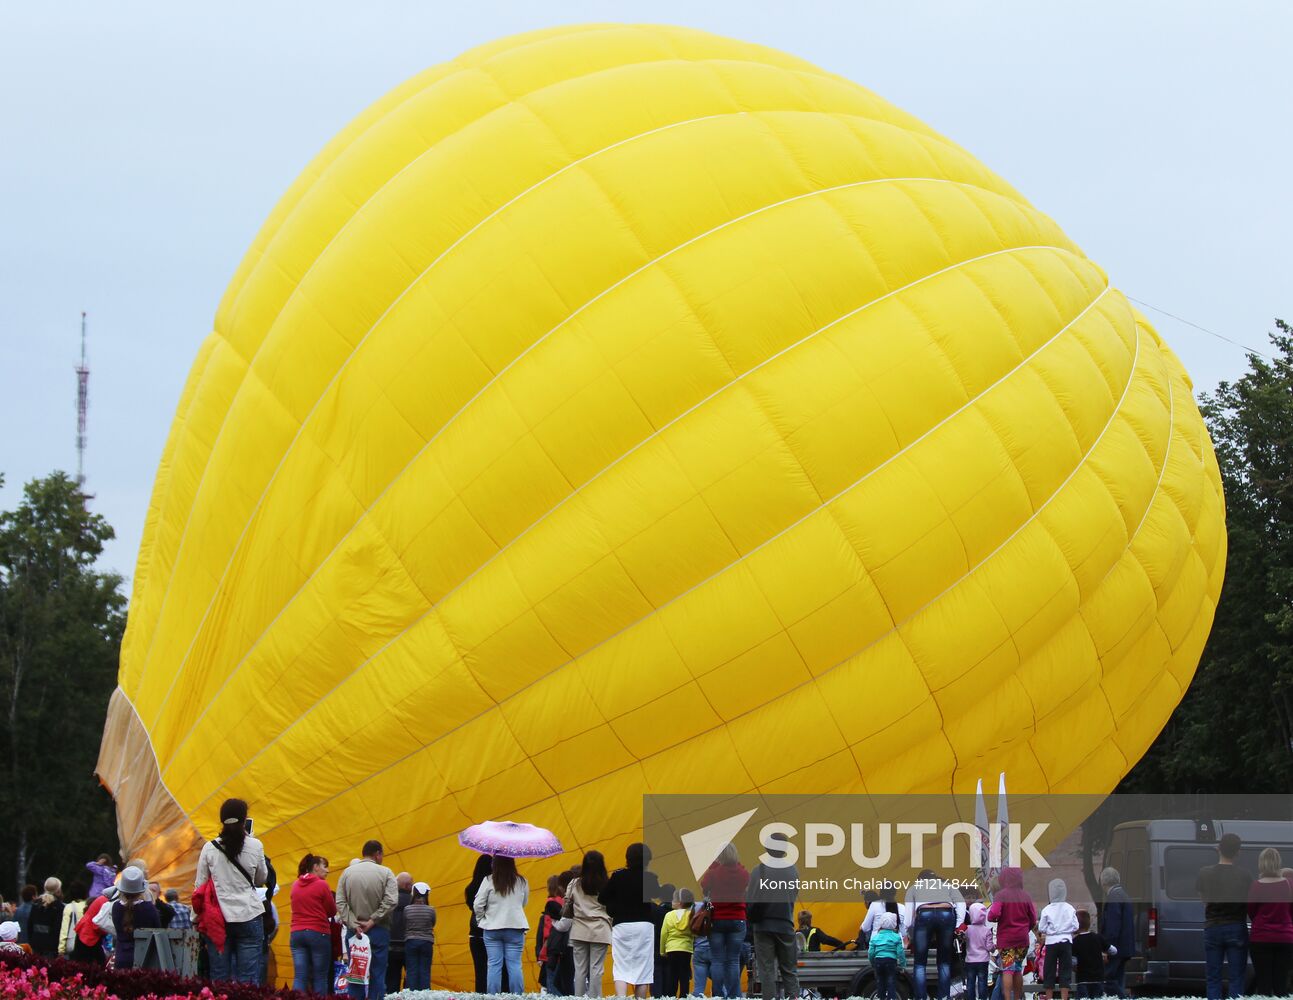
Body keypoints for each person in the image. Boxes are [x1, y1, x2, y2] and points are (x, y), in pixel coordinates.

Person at [195, 797, 268, 984]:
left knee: (219, 978)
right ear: (244, 821)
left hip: (218, 918)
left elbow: (200, 886)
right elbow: (261, 879)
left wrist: (196, 918)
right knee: (249, 979)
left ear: (222, 821)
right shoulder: (255, 845)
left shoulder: (209, 849)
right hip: (249, 915)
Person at [336, 840, 399, 1000]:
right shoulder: (386, 873)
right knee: (378, 974)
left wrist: (353, 924)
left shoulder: (347, 873)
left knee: (356, 974)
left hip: (354, 933)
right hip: (379, 930)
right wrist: (372, 920)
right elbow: (391, 900)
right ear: (377, 854)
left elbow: (340, 902)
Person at [601, 843, 664, 999]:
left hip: (621, 925)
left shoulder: (618, 876)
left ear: (627, 858)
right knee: (643, 970)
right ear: (647, 859)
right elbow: (657, 893)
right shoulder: (650, 877)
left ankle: (621, 997)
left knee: (621, 967)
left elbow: (602, 898)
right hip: (644, 926)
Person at [1196, 833, 1251, 1000]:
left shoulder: (1204, 873)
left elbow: (1204, 901)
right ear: (1238, 852)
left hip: (1213, 926)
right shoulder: (1245, 876)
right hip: (1237, 926)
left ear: (1218, 849)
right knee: (1236, 977)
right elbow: (1249, 902)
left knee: (1213, 978)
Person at [747, 844, 799, 1000]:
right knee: (789, 970)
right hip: (785, 924)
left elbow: (750, 898)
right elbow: (794, 893)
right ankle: (792, 997)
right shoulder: (793, 870)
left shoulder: (759, 870)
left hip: (762, 926)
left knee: (767, 971)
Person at [474, 855, 530, 995]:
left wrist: (481, 920)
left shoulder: (488, 880)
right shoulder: (522, 881)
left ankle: (493, 996)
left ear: (495, 864)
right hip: (515, 926)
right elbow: (524, 902)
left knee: (494, 965)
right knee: (515, 965)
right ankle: (517, 996)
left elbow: (478, 904)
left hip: (492, 927)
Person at [699, 844, 748, 999]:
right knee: (733, 960)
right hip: (737, 919)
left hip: (717, 919)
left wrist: (714, 864)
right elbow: (746, 879)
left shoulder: (714, 873)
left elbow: (704, 886)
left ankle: (718, 995)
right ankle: (734, 995)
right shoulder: (743, 873)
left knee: (717, 960)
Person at [908, 870, 966, 1000]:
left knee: (920, 964)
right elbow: (961, 904)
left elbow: (908, 919)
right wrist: (957, 925)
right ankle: (944, 997)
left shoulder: (914, 887)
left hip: (924, 915)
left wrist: (911, 934)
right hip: (946, 914)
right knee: (944, 961)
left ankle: (921, 998)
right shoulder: (946, 885)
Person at [1247, 846, 1293, 995]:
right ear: (1278, 862)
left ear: (1262, 863)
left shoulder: (1256, 886)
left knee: (1263, 983)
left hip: (1261, 938)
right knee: (1281, 984)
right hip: (1285, 938)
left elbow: (1252, 912)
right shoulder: (1289, 884)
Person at [566, 851, 612, 997]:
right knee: (596, 969)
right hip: (600, 929)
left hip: (579, 929)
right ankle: (595, 997)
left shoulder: (575, 883)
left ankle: (578, 997)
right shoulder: (607, 884)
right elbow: (612, 906)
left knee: (580, 969)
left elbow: (567, 901)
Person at [291, 853, 337, 995]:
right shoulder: (322, 885)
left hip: (296, 933)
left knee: (300, 975)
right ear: (315, 867)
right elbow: (331, 911)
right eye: (325, 866)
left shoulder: (295, 884)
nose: (327, 870)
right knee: (320, 976)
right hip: (318, 932)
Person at [987, 868, 1036, 1000]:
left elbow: (994, 914)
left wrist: (993, 918)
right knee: (1018, 969)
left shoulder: (1001, 895)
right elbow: (1033, 918)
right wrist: (1025, 929)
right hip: (1022, 939)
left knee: (1008, 969)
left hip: (1006, 940)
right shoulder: (1025, 896)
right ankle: (1017, 998)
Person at [467, 854, 504, 993]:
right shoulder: (494, 886)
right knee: (495, 968)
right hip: (491, 931)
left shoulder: (470, 888)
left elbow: (473, 907)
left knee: (480, 971)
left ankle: (481, 995)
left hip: (474, 933)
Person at [112, 866, 161, 968]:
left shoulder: (116, 907)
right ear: (141, 889)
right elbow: (158, 930)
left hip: (121, 957)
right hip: (144, 958)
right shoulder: (149, 908)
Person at [1096, 868, 1133, 999]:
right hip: (1125, 947)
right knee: (1118, 979)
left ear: (1103, 882)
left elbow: (1113, 926)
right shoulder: (1123, 894)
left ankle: (1123, 998)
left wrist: (1107, 948)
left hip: (1115, 948)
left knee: (1108, 980)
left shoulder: (1113, 897)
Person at [1038, 879, 1078, 1000]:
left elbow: (1041, 927)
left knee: (1049, 969)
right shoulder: (1070, 908)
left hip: (1051, 942)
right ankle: (1064, 997)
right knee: (1065, 970)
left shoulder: (1047, 909)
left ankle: (1049, 997)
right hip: (1066, 941)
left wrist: (1051, 930)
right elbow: (1076, 926)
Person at [660, 888, 695, 997]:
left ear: (679, 902)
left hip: (671, 949)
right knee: (684, 975)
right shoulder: (691, 915)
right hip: (686, 949)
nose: (671, 901)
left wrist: (662, 951)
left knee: (672, 975)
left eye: (673, 900)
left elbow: (663, 934)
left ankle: (671, 996)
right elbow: (694, 932)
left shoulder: (669, 915)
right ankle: (684, 996)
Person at [404, 881, 436, 991]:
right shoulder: (431, 910)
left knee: (411, 970)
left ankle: (410, 995)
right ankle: (425, 995)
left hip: (411, 941)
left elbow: (405, 922)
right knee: (425, 970)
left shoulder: (407, 909)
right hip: (426, 942)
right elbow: (433, 923)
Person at [1071, 910, 1110, 999]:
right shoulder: (1098, 937)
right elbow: (1113, 950)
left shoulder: (1075, 942)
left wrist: (1074, 968)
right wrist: (1107, 956)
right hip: (1098, 978)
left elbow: (1073, 962)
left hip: (1082, 979)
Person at [868, 911, 906, 1000]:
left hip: (878, 962)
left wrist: (872, 962)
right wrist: (903, 964)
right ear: (894, 923)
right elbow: (900, 952)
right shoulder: (896, 937)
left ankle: (881, 998)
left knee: (880, 982)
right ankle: (891, 998)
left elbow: (871, 952)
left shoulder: (875, 937)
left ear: (881, 922)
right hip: (891, 961)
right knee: (891, 982)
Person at [386, 871, 413, 994]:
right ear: (409, 886)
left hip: (391, 946)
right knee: (411, 980)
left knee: (391, 980)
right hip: (409, 945)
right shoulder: (415, 902)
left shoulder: (390, 900)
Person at [27, 877, 65, 957]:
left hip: (36, 945)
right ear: (58, 890)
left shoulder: (36, 904)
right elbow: (58, 929)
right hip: (51, 949)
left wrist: (32, 941)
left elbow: (30, 926)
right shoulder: (59, 907)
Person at [964, 902, 992, 1000]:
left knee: (970, 981)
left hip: (970, 960)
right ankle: (982, 998)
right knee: (982, 981)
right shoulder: (987, 930)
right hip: (983, 960)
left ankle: (970, 998)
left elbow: (963, 940)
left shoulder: (967, 929)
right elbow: (989, 947)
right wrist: (994, 947)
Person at [57, 881, 87, 958]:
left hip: (73, 946)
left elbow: (64, 930)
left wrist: (61, 950)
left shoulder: (69, 907)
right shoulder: (89, 905)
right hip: (88, 944)